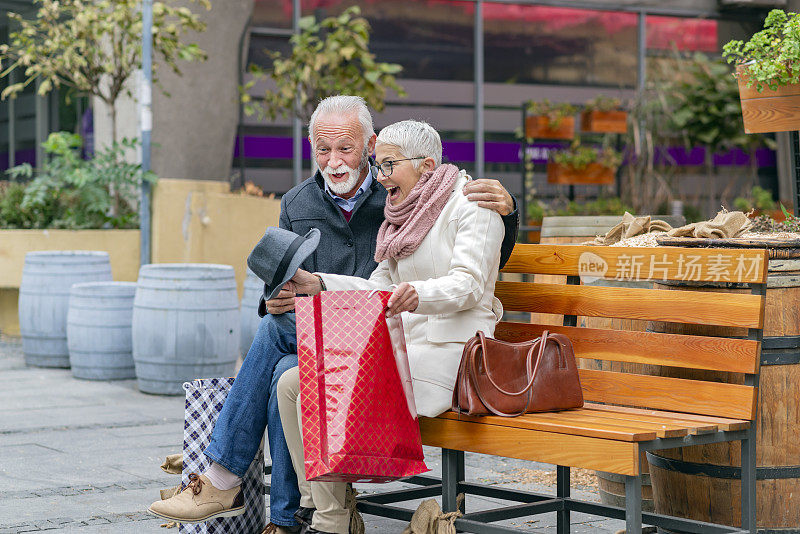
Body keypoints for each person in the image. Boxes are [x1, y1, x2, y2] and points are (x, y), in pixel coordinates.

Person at [148, 96, 519, 532]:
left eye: (346, 149)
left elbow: (477, 267)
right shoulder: (310, 201)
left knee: (283, 346)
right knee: (287, 368)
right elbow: (288, 281)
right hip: (351, 329)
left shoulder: (407, 199)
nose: (336, 161)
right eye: (323, 150)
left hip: (401, 338)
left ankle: (234, 483)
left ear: (370, 145)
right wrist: (297, 291)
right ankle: (305, 516)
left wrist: (509, 210)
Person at [278, 119, 505, 534]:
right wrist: (319, 283)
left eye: (388, 166)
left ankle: (329, 523)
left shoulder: (472, 205)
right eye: (378, 166)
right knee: (292, 382)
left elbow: (471, 285)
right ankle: (328, 508)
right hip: (408, 348)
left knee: (323, 386)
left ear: (427, 165)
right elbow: (376, 287)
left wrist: (417, 294)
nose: (380, 178)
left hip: (455, 352)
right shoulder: (406, 216)